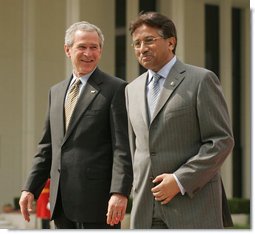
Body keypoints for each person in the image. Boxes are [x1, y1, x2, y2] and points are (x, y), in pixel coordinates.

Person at [125, 11, 234, 229]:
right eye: (136, 43)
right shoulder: (131, 89)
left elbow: (221, 141)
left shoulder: (201, 80)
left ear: (171, 42)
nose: (142, 48)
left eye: (149, 40)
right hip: (146, 210)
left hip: (193, 208)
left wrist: (179, 180)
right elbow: (137, 150)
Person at [19, 21, 133, 229]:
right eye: (82, 46)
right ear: (67, 50)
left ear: (100, 50)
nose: (89, 53)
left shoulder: (116, 88)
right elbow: (47, 148)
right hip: (61, 204)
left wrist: (120, 192)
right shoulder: (56, 92)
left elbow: (122, 148)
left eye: (94, 47)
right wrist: (30, 188)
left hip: (98, 205)